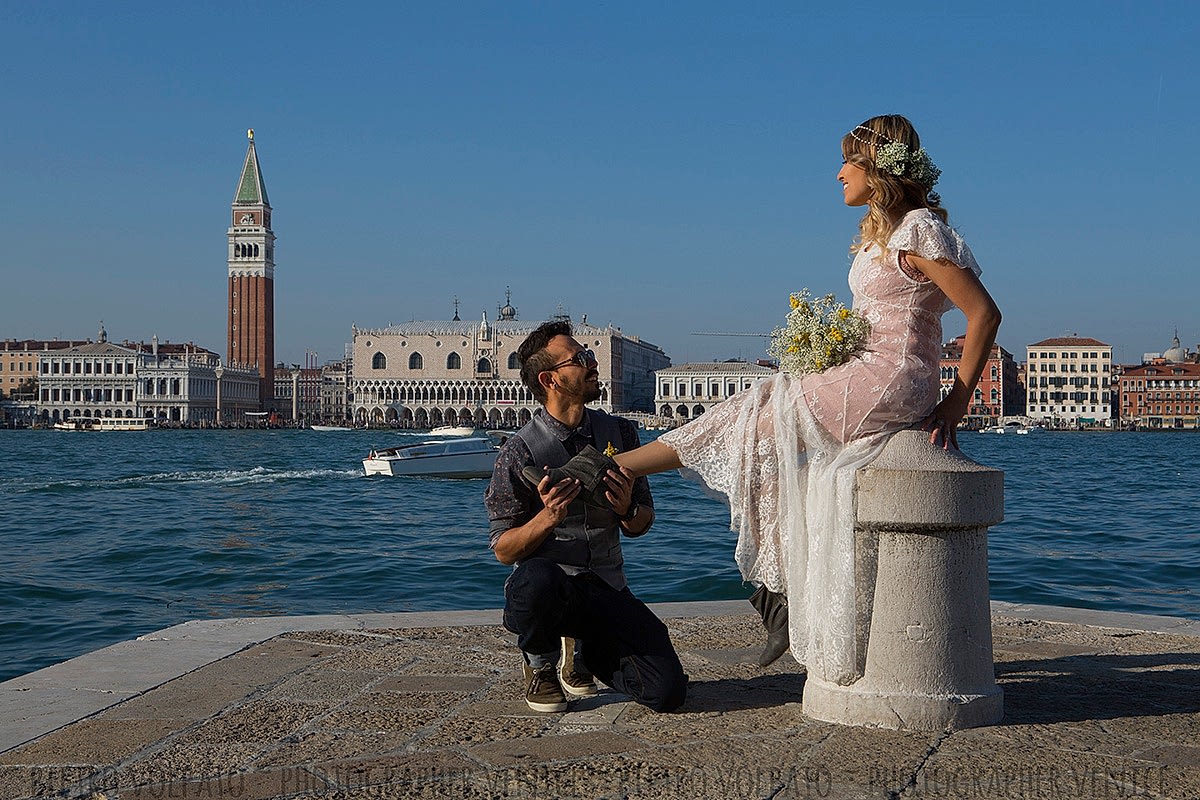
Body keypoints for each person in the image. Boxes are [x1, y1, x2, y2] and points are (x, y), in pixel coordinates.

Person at [550, 115, 1001, 684]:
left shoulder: (916, 230)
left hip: (892, 375)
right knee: (758, 433)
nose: (838, 174)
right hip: (866, 368)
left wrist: (957, 400)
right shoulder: (882, 233)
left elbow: (983, 313)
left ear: (877, 169)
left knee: (757, 420)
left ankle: (612, 470)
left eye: (847, 161)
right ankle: (771, 593)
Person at [485, 320, 688, 713]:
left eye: (589, 355)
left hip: (607, 587)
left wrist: (626, 508)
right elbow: (503, 551)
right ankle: (540, 661)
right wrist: (547, 517)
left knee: (666, 693)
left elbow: (642, 524)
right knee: (535, 579)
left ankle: (587, 652)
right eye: (580, 359)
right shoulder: (518, 452)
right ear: (551, 379)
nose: (592, 363)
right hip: (551, 589)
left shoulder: (622, 434)